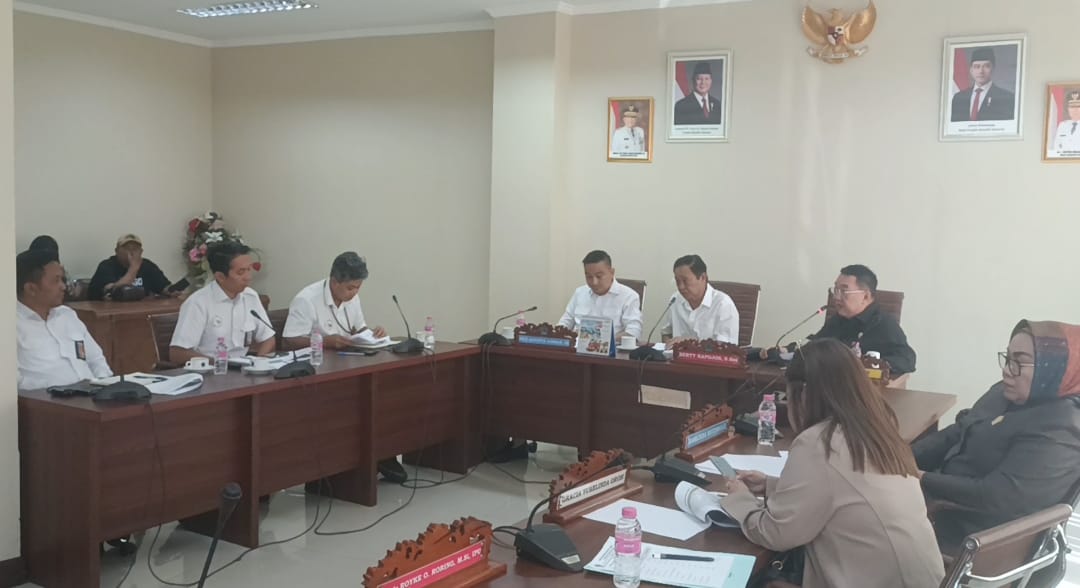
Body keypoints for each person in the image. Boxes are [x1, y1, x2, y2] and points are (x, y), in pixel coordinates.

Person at [722, 338, 945, 588]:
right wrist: (771, 486)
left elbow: (776, 534)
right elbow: (842, 492)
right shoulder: (877, 430)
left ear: (804, 393)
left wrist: (740, 499)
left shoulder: (820, 442)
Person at [913, 320, 1080, 548]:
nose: (1007, 370)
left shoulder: (1062, 426)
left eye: (1019, 362)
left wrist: (919, 477)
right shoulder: (1003, 393)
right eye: (1008, 358)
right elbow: (959, 431)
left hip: (972, 533)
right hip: (934, 498)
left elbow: (996, 496)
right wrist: (900, 456)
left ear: (1056, 368)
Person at [16, 248, 112, 390]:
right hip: (46, 400)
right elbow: (15, 383)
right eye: (56, 281)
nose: (63, 286)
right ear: (31, 289)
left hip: (93, 396)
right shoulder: (11, 324)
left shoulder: (67, 315)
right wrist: (61, 391)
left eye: (63, 279)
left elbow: (97, 360)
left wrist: (105, 386)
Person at [169, 241, 275, 365]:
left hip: (244, 369)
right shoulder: (198, 303)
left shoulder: (250, 296)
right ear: (220, 276)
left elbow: (268, 338)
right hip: (211, 370)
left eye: (249, 269)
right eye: (241, 272)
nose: (248, 277)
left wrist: (259, 363)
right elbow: (178, 353)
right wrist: (222, 364)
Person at [810, 264, 916, 376]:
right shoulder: (838, 319)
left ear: (865, 296)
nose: (836, 297)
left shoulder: (883, 324)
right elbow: (815, 347)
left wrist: (871, 364)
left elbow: (907, 359)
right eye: (836, 290)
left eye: (844, 291)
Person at [283, 252, 386, 350]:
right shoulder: (306, 299)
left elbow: (360, 328)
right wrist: (324, 342)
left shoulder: (353, 297)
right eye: (350, 288)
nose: (355, 293)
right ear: (334, 282)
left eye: (358, 287)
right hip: (316, 359)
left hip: (346, 357)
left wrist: (373, 334)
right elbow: (288, 341)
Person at [557, 250, 642, 341]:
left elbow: (633, 332)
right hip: (576, 347)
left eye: (599, 276)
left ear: (612, 272)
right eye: (589, 277)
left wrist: (602, 341)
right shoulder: (580, 293)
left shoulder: (629, 296)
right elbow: (564, 323)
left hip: (612, 348)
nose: (594, 282)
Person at [660, 254, 738, 345]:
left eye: (685, 281)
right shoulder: (675, 299)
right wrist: (668, 344)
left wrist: (689, 343)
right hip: (677, 354)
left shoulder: (723, 304)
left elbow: (726, 347)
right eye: (677, 281)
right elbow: (666, 333)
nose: (681, 287)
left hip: (709, 355)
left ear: (703, 277)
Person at [88, 234, 174, 300]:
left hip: (141, 310)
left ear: (141, 251)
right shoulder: (106, 266)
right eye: (127, 248)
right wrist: (134, 268)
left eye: (135, 248)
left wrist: (173, 290)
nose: (131, 252)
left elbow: (164, 288)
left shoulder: (148, 265)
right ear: (116, 251)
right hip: (109, 312)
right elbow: (113, 291)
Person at [950, 47, 1016, 122]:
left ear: (993, 68)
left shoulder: (1006, 98)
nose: (981, 71)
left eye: (986, 66)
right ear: (971, 70)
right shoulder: (959, 98)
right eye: (976, 66)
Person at [1052, 89, 1080, 154]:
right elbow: (1055, 149)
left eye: (1078, 106)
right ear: (1067, 109)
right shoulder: (1062, 126)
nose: (1075, 110)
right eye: (1071, 106)